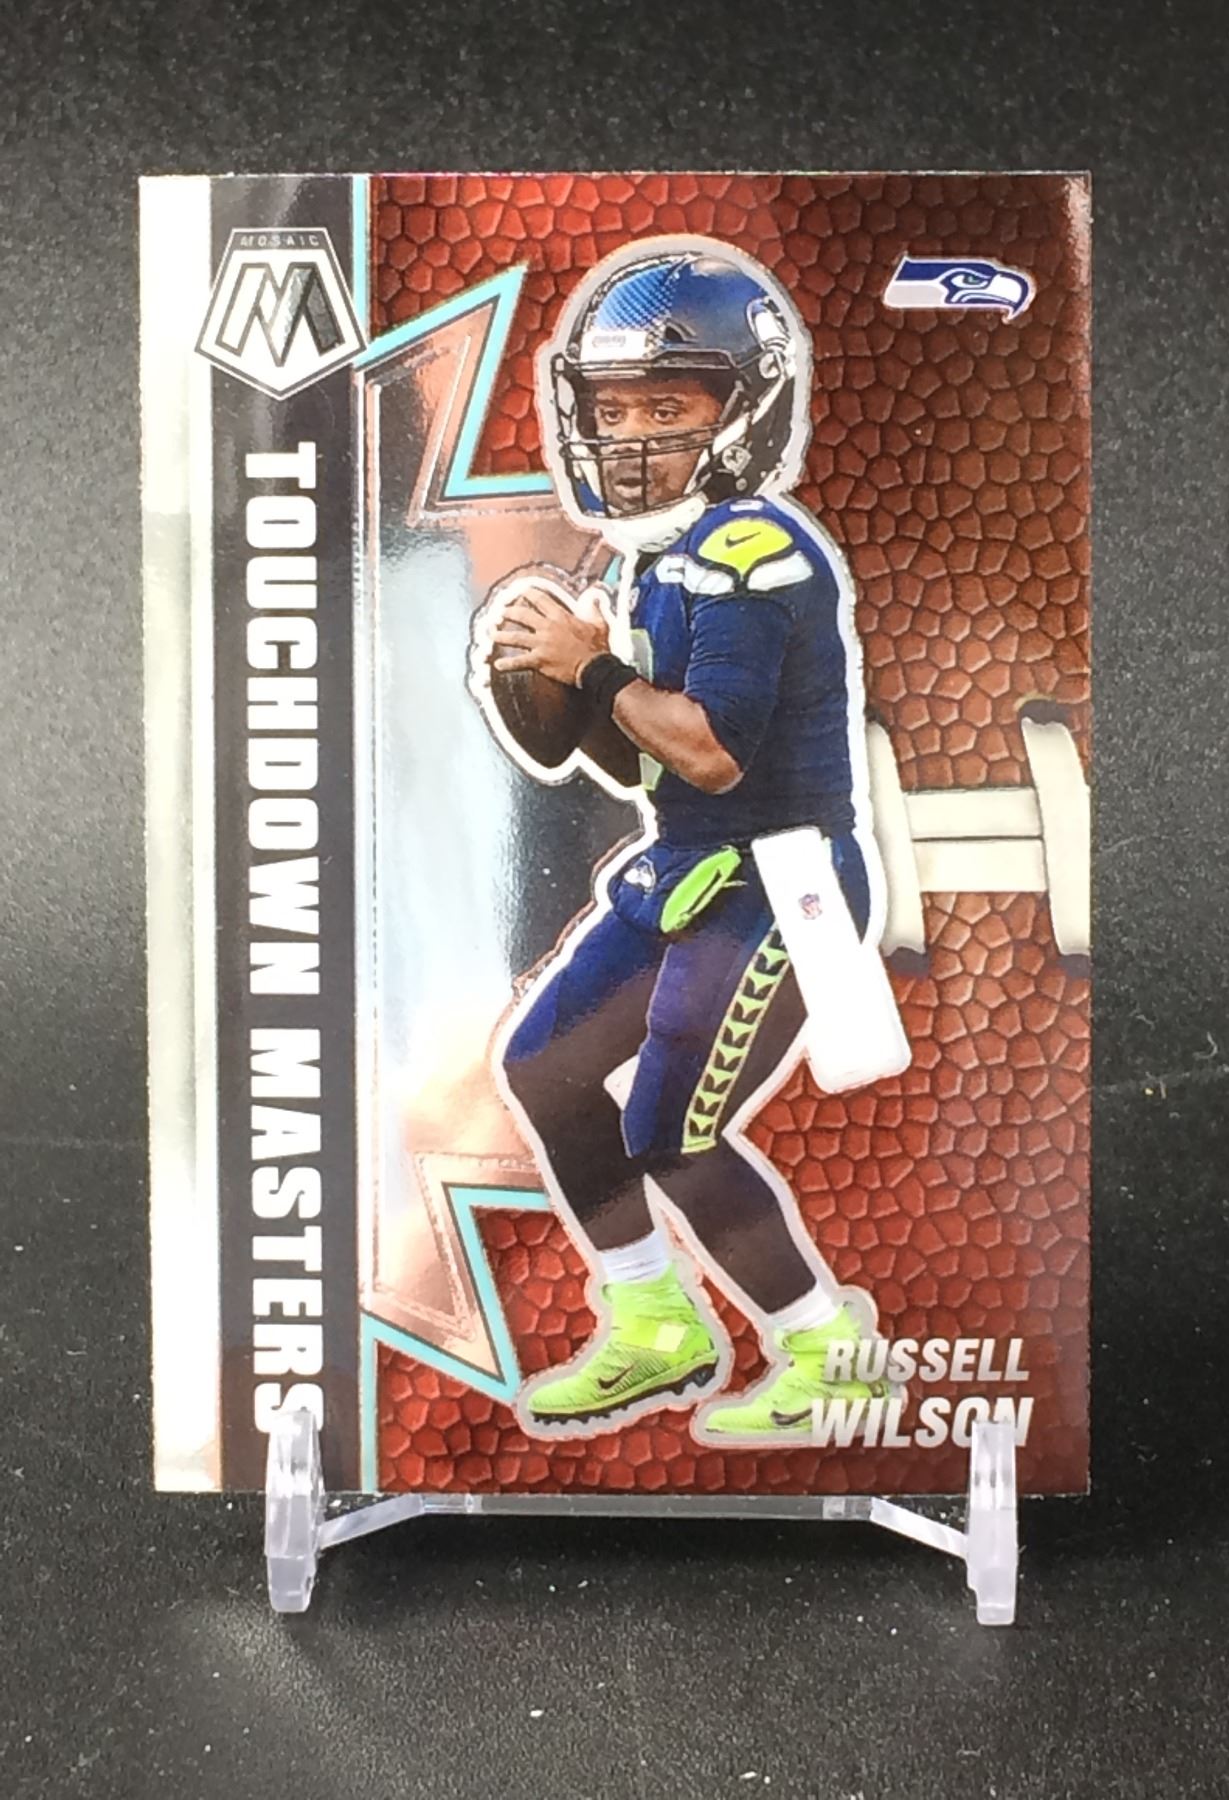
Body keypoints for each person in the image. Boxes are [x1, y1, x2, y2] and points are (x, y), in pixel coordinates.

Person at [488, 242, 890, 1440]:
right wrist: (555, 697)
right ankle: (654, 1323)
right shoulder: (660, 556)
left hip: (780, 882)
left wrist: (593, 667)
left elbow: (713, 753)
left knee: (671, 1131)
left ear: (743, 412)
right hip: (689, 867)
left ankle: (829, 1351)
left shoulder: (754, 557)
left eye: (668, 408)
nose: (632, 436)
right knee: (545, 1067)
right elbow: (648, 767)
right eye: (614, 410)